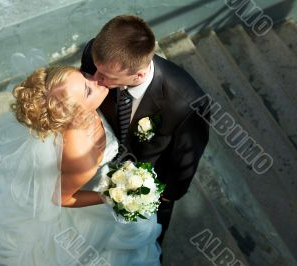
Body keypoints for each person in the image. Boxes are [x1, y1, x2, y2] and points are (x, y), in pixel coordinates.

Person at [0, 66, 162, 265]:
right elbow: (61, 198)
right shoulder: (82, 157)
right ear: (73, 116)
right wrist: (110, 196)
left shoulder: (75, 104)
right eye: (88, 90)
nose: (96, 80)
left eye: (85, 76)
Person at [80, 15, 210, 246]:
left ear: (138, 75)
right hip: (96, 163)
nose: (95, 79)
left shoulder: (187, 103)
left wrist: (163, 197)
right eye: (96, 70)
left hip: (144, 185)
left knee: (144, 242)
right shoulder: (96, 55)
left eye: (106, 77)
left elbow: (185, 161)